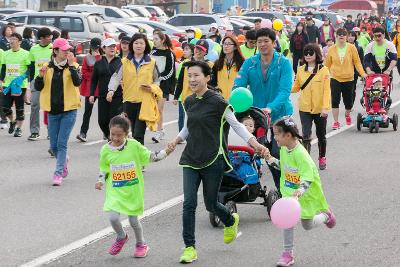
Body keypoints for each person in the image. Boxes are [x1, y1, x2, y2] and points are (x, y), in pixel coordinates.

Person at [167, 61, 268, 264]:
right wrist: (176, 140)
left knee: (211, 203)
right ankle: (189, 247)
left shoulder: (219, 102)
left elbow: (238, 127)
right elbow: (189, 127)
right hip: (191, 157)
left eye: (196, 75)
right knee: (189, 204)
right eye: (190, 76)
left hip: (214, 158)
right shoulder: (189, 101)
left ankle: (230, 220)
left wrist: (256, 144)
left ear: (207, 77)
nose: (192, 79)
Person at [95, 115, 173, 258]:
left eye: (119, 135)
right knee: (112, 218)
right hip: (115, 191)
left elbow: (151, 157)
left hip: (133, 190)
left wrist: (166, 152)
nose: (115, 138)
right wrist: (100, 180)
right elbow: (103, 168)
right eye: (113, 134)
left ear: (126, 134)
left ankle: (141, 244)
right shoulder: (105, 150)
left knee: (133, 221)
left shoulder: (134, 146)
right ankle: (121, 236)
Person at [264, 116, 336, 267]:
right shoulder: (284, 149)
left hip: (306, 194)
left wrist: (299, 192)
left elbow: (307, 178)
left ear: (288, 135)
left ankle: (325, 216)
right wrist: (270, 159)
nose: (274, 137)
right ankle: (287, 254)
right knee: (287, 221)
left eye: (277, 134)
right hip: (290, 194)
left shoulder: (301, 154)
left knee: (307, 225)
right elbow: (284, 167)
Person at [234, 28, 293, 192]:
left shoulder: (284, 63)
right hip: (257, 117)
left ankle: (284, 190)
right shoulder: (250, 63)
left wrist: (271, 108)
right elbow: (238, 86)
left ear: (274, 43)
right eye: (259, 41)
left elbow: (284, 91)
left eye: (266, 41)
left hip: (279, 115)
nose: (262, 44)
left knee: (275, 152)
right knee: (256, 153)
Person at [34, 38, 81, 186]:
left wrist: (72, 66)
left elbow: (77, 82)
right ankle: (64, 160)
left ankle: (58, 173)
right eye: (64, 50)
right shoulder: (46, 68)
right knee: (53, 147)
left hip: (69, 110)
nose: (67, 52)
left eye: (68, 50)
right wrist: (40, 76)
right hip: (52, 111)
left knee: (61, 144)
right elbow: (38, 86)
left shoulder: (73, 65)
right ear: (55, 51)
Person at [107, 33, 161, 145]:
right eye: (136, 43)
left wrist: (152, 87)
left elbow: (157, 80)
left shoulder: (151, 62)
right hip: (129, 101)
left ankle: (140, 160)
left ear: (146, 45)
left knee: (138, 133)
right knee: (133, 131)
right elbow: (116, 77)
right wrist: (111, 90)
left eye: (141, 43)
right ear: (132, 45)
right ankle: (138, 158)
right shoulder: (124, 61)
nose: (139, 45)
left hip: (145, 102)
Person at [292, 44, 331, 170]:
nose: (308, 55)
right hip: (304, 108)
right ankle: (306, 161)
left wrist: (325, 108)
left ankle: (322, 156)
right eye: (306, 53)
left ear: (316, 54)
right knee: (306, 135)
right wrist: (283, 88)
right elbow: (296, 87)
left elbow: (326, 91)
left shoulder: (324, 70)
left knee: (321, 135)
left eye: (311, 53)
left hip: (320, 109)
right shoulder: (300, 70)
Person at [325, 28, 366, 130]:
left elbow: (357, 62)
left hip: (349, 78)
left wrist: (363, 74)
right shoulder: (331, 49)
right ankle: (336, 121)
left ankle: (347, 114)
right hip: (335, 78)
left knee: (349, 102)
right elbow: (327, 65)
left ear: (346, 36)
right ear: (336, 36)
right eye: (339, 34)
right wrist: (323, 76)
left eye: (343, 34)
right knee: (335, 100)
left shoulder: (352, 48)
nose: (341, 36)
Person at [173, 39, 214, 131]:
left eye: (201, 50)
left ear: (206, 52)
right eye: (197, 48)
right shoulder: (186, 63)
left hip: (203, 98)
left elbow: (212, 83)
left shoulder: (210, 65)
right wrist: (176, 96)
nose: (198, 51)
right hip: (187, 97)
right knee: (187, 123)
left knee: (199, 123)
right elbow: (180, 80)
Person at [89, 38, 123, 141]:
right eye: (109, 46)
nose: (112, 48)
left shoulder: (120, 62)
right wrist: (91, 94)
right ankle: (109, 136)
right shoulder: (98, 63)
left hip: (117, 96)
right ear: (103, 49)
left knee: (113, 120)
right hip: (102, 96)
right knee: (102, 121)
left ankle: (114, 139)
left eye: (114, 46)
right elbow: (94, 80)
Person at [0, 32, 30, 137]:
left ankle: (18, 129)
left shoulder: (26, 53)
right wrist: (1, 79)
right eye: (11, 39)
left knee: (19, 108)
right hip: (7, 84)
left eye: (14, 39)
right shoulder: (6, 53)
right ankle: (12, 121)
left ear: (20, 42)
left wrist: (22, 77)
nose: (11, 41)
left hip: (20, 85)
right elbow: (3, 67)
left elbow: (29, 69)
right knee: (5, 107)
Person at [27, 27, 53, 141]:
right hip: (37, 80)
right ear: (41, 38)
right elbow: (31, 66)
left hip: (51, 81)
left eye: (50, 36)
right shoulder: (33, 49)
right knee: (34, 105)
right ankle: (34, 131)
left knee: (50, 106)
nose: (50, 38)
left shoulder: (53, 48)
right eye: (48, 37)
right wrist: (31, 80)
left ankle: (51, 131)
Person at [150, 30, 176, 143]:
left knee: (159, 109)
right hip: (151, 84)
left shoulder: (169, 53)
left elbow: (170, 70)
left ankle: (160, 131)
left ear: (162, 40)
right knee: (152, 108)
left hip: (163, 85)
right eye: (153, 39)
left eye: (156, 39)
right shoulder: (152, 51)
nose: (154, 41)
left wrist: (160, 78)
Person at [76, 38, 102, 142]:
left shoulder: (103, 57)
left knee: (103, 112)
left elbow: (103, 70)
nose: (95, 49)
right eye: (94, 47)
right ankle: (83, 133)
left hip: (101, 88)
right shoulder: (87, 58)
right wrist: (94, 76)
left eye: (97, 47)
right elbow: (84, 71)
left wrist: (98, 57)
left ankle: (107, 132)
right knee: (87, 111)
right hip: (90, 88)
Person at [210, 36, 244, 100]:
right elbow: (212, 83)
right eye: (224, 44)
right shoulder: (217, 63)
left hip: (237, 100)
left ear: (235, 47)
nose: (226, 46)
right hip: (220, 100)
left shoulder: (242, 63)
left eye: (229, 44)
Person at [174, 42, 193, 133]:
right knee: (181, 117)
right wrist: (176, 96)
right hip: (183, 96)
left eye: (187, 49)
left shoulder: (195, 63)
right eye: (184, 49)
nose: (184, 51)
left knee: (190, 117)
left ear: (193, 51)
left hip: (192, 95)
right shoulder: (183, 64)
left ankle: (189, 134)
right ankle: (181, 135)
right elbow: (179, 81)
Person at [347, 31, 364, 105]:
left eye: (352, 36)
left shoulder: (359, 48)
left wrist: (362, 73)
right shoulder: (342, 46)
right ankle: (347, 104)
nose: (350, 37)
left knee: (352, 89)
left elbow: (361, 61)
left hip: (354, 72)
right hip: (343, 71)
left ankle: (350, 105)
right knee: (345, 90)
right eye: (349, 36)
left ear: (355, 37)